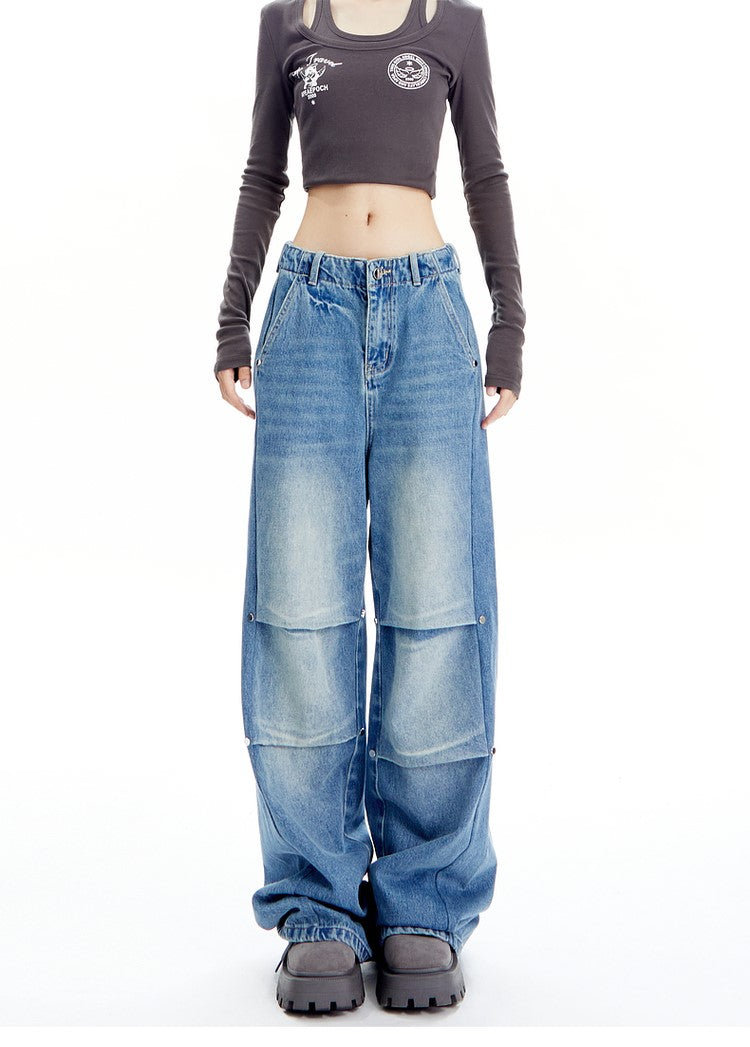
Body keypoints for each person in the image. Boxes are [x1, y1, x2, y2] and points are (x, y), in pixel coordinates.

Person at [213, 0, 525, 1014]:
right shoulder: (287, 20)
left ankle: (424, 897)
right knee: (300, 609)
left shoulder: (456, 22)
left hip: (430, 315)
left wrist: (510, 323)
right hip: (307, 314)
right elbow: (263, 173)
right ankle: (318, 905)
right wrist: (231, 317)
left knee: (438, 606)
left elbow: (485, 173)